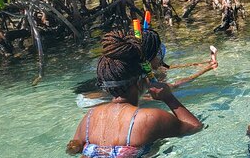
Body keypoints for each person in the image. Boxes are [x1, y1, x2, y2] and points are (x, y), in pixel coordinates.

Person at [66, 30, 203, 158]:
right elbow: (195, 127)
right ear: (141, 81)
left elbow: (74, 148)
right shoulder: (148, 118)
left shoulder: (90, 117)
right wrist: (168, 97)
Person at [74, 28, 217, 107]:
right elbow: (172, 86)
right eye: (157, 54)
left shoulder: (135, 64)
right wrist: (207, 69)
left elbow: (165, 69)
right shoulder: (140, 76)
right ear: (149, 57)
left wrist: (201, 63)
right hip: (91, 101)